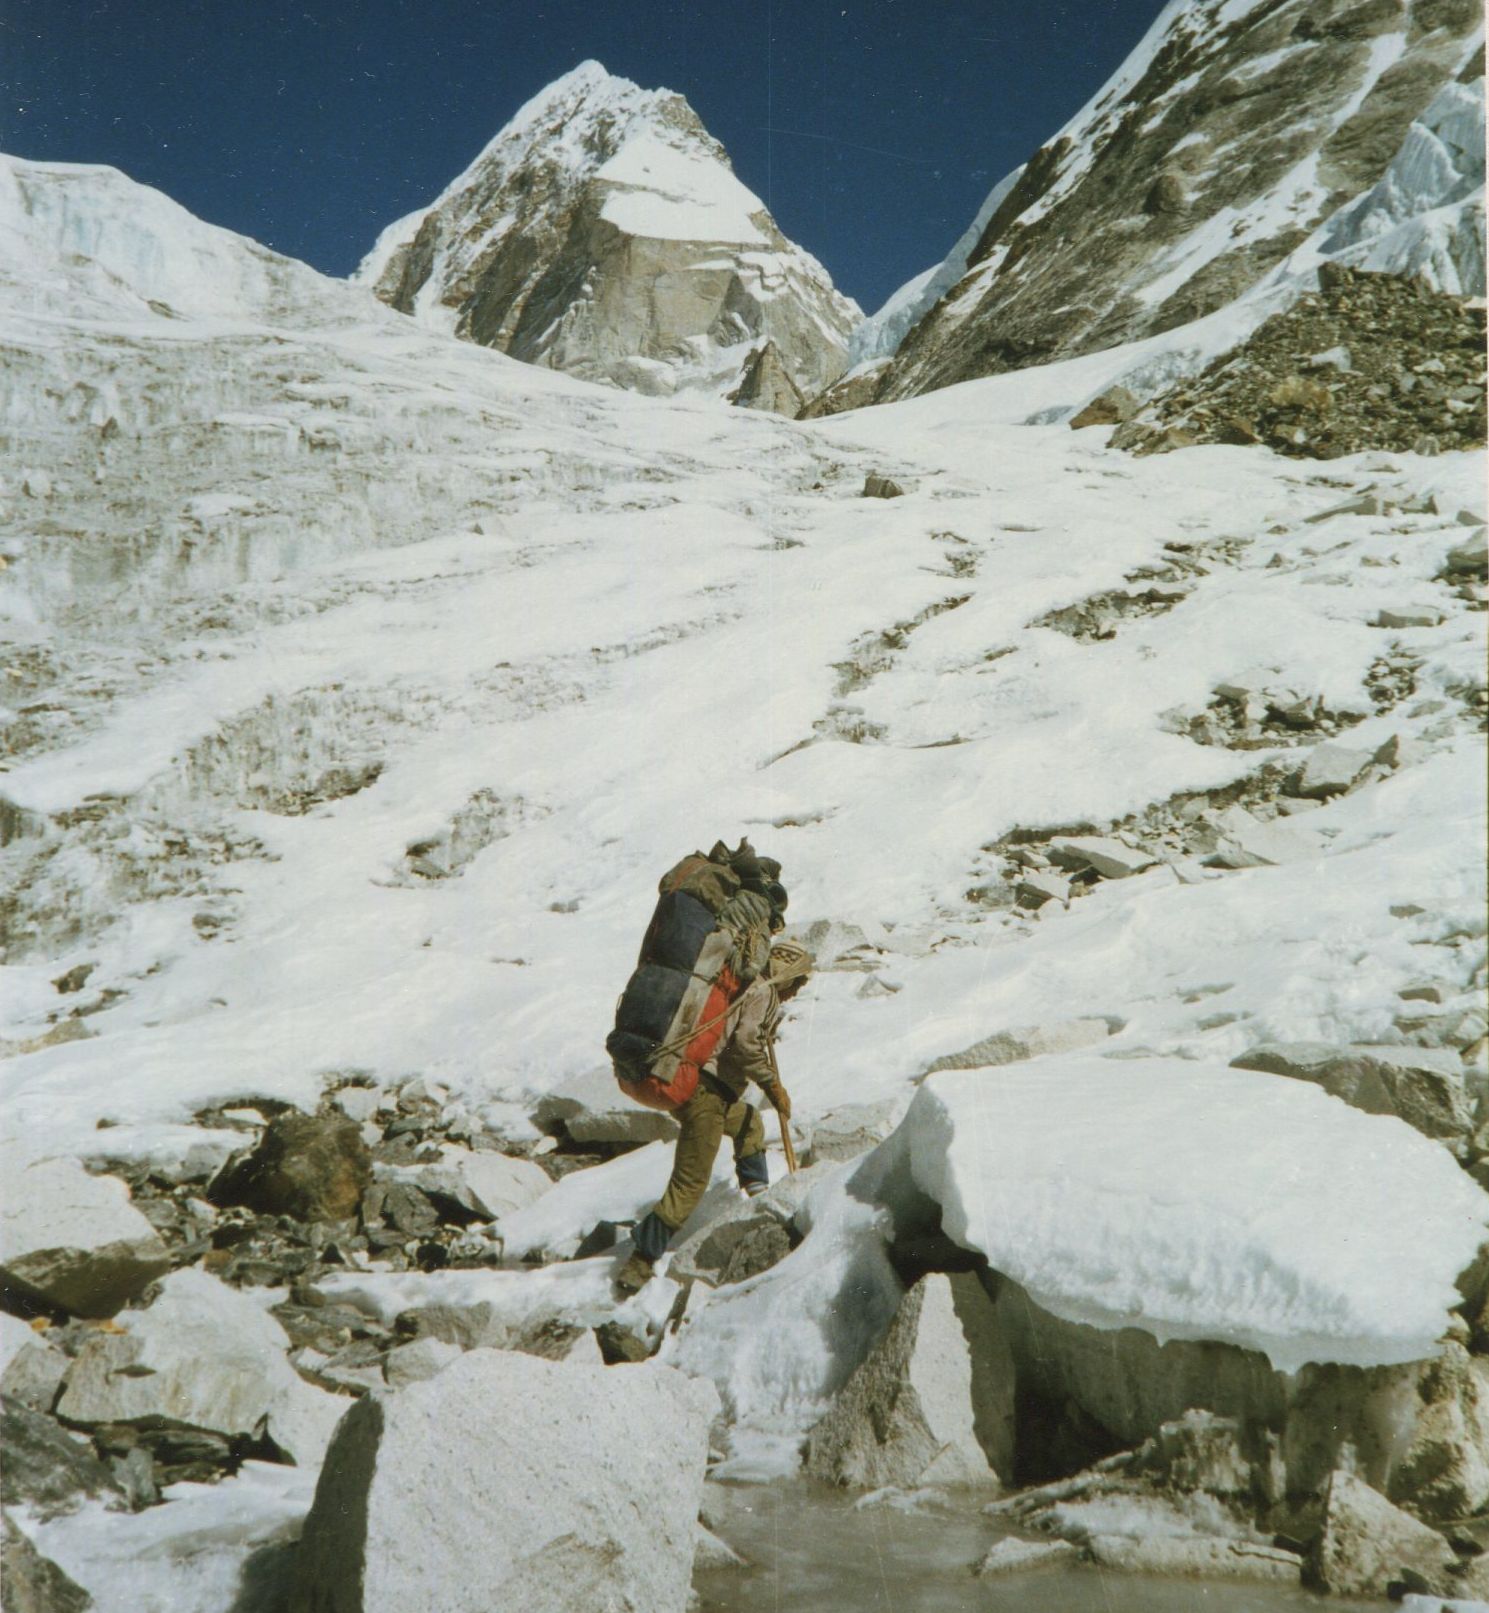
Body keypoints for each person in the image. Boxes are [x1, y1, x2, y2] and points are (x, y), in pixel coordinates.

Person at [614, 941, 815, 1296]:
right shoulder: (763, 994)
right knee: (690, 1183)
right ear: (786, 976)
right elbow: (745, 1044)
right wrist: (772, 1084)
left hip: (699, 1087)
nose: (798, 990)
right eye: (798, 982)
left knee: (748, 1123)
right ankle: (640, 1261)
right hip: (704, 1093)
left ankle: (758, 1202)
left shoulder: (745, 987)